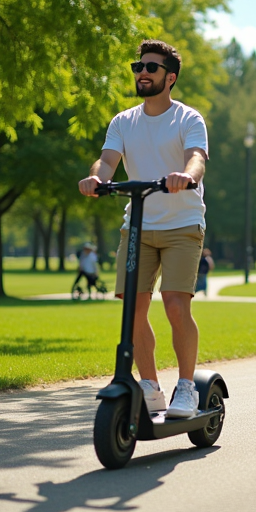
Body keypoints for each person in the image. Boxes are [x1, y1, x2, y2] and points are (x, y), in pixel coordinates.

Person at [78, 38, 208, 419]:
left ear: (170, 78)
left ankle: (187, 387)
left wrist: (187, 175)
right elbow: (106, 161)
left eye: (150, 68)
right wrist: (95, 179)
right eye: (138, 67)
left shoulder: (188, 119)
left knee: (174, 304)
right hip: (137, 224)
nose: (142, 73)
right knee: (132, 309)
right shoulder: (123, 121)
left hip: (183, 224)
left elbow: (197, 157)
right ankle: (150, 385)